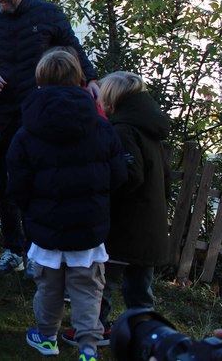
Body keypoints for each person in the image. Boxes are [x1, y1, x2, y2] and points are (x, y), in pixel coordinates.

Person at [0, 0, 99, 276]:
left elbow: (72, 50)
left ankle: (41, 252)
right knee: (8, 182)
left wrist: (91, 79)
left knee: (42, 181)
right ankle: (13, 250)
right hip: (0, 114)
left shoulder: (48, 15)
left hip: (41, 113)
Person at [6, 51, 127, 361]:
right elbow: (118, 175)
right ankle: (88, 347)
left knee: (49, 287)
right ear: (78, 78)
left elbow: (17, 182)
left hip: (46, 226)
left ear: (40, 80)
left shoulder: (27, 130)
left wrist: (31, 209)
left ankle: (47, 337)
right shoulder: (101, 127)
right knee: (88, 288)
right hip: (88, 226)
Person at [64, 72, 171, 349]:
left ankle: (93, 329)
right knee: (139, 286)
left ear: (112, 96)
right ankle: (145, 334)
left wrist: (101, 190)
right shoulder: (149, 127)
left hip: (126, 224)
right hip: (148, 222)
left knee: (102, 281)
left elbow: (128, 175)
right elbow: (164, 176)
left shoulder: (123, 129)